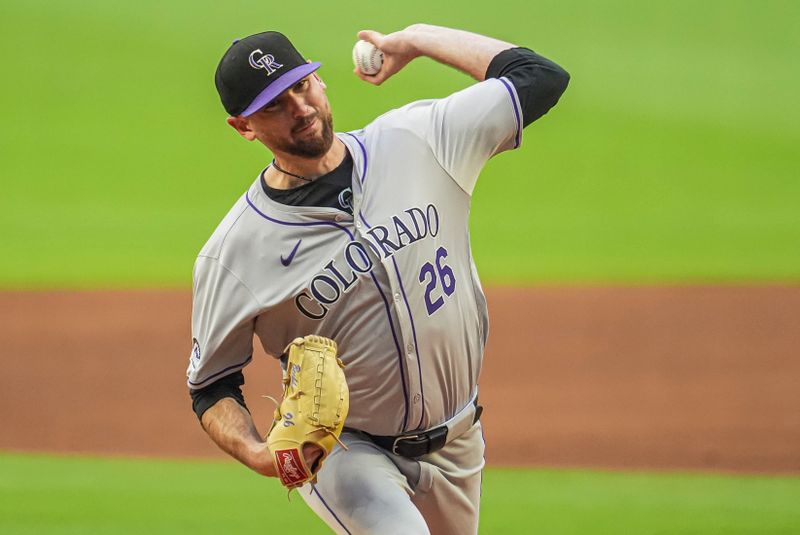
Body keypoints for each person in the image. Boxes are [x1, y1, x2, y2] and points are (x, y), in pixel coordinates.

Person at [188, 24, 569, 534]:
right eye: (275, 104)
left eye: (301, 85)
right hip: (348, 452)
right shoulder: (234, 252)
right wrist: (260, 454)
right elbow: (211, 386)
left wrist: (415, 39)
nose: (299, 108)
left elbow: (539, 76)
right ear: (244, 127)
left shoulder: (418, 139)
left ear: (320, 82)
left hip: (459, 443)